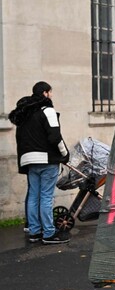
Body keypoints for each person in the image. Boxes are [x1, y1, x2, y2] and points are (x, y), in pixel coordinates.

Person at [8, 81, 70, 244]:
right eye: (50, 92)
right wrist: (65, 154)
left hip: (28, 160)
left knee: (34, 196)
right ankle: (49, 233)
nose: (51, 95)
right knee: (46, 196)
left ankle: (34, 232)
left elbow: (20, 139)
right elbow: (55, 137)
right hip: (46, 160)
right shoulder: (47, 110)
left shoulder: (24, 114)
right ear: (45, 93)